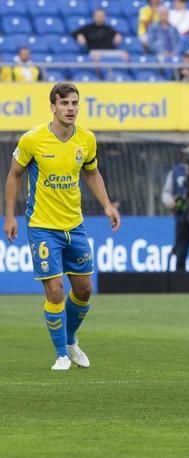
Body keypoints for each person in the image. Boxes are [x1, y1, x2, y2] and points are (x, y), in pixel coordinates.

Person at [3, 82, 121, 371]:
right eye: (65, 103)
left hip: (75, 225)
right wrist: (9, 215)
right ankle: (61, 355)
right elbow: (14, 175)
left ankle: (70, 340)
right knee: (55, 291)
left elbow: (91, 173)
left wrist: (107, 204)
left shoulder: (87, 140)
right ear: (53, 107)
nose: (71, 108)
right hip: (42, 226)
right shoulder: (33, 140)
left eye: (75, 103)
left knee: (84, 290)